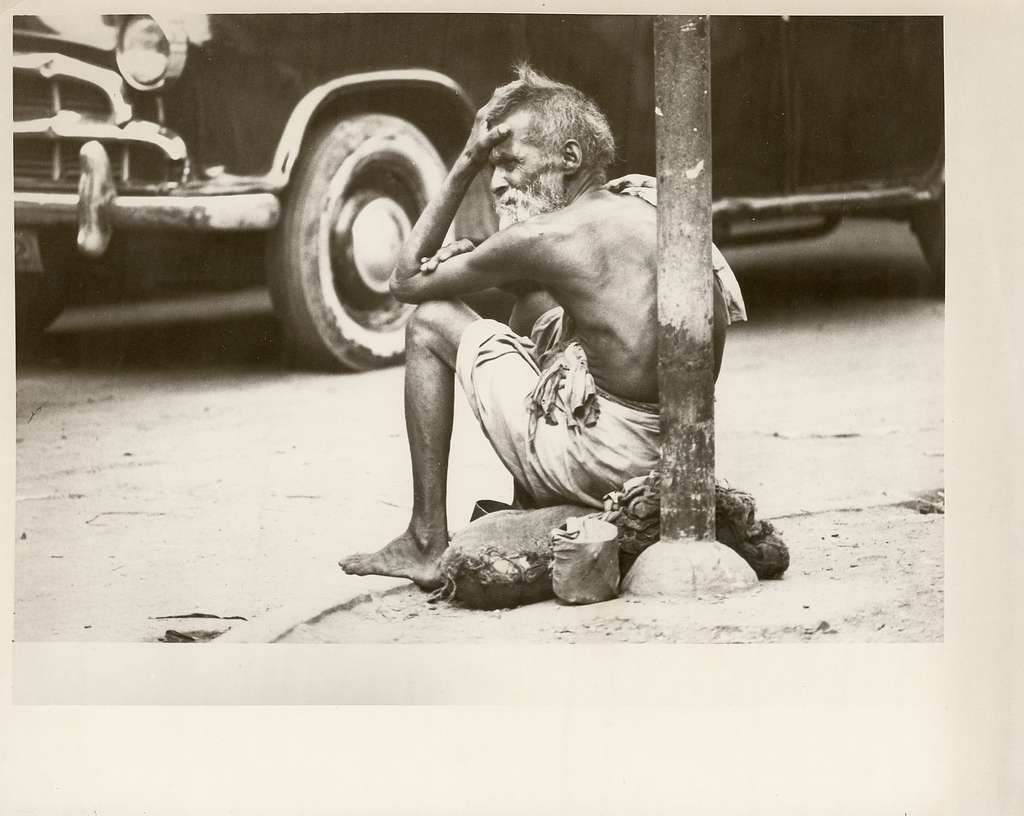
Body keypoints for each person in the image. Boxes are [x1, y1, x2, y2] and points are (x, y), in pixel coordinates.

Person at [339, 65, 746, 589]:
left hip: (607, 459)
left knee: (429, 322)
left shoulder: (545, 236)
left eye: (509, 161)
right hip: (671, 451)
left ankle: (424, 539)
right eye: (488, 165)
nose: (496, 180)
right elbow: (569, 294)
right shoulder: (644, 205)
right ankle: (531, 505)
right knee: (532, 300)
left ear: (570, 159)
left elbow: (404, 280)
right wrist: (490, 267)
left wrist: (463, 164)